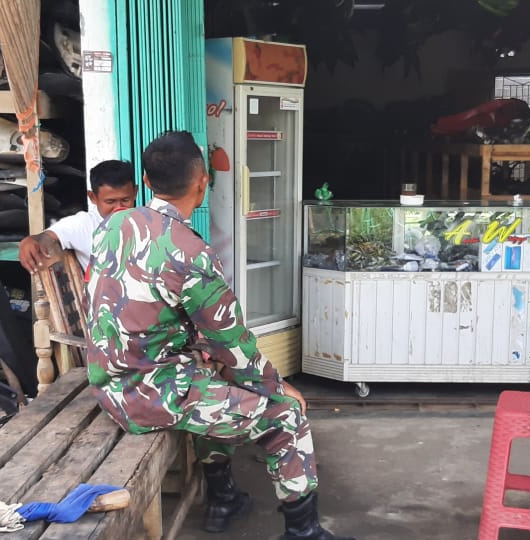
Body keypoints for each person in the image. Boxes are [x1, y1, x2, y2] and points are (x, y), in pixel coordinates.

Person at [85, 131, 352, 540]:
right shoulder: (190, 253)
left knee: (212, 374)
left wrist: (217, 363)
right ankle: (304, 533)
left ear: (146, 181)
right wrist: (277, 387)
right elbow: (231, 342)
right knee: (286, 417)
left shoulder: (115, 225)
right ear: (202, 182)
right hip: (147, 396)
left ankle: (223, 497)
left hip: (109, 384)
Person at [18, 159, 137, 274]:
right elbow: (47, 236)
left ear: (135, 192)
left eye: (125, 200)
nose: (118, 208)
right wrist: (30, 241)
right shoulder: (83, 224)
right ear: (93, 197)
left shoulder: (145, 221)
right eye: (110, 202)